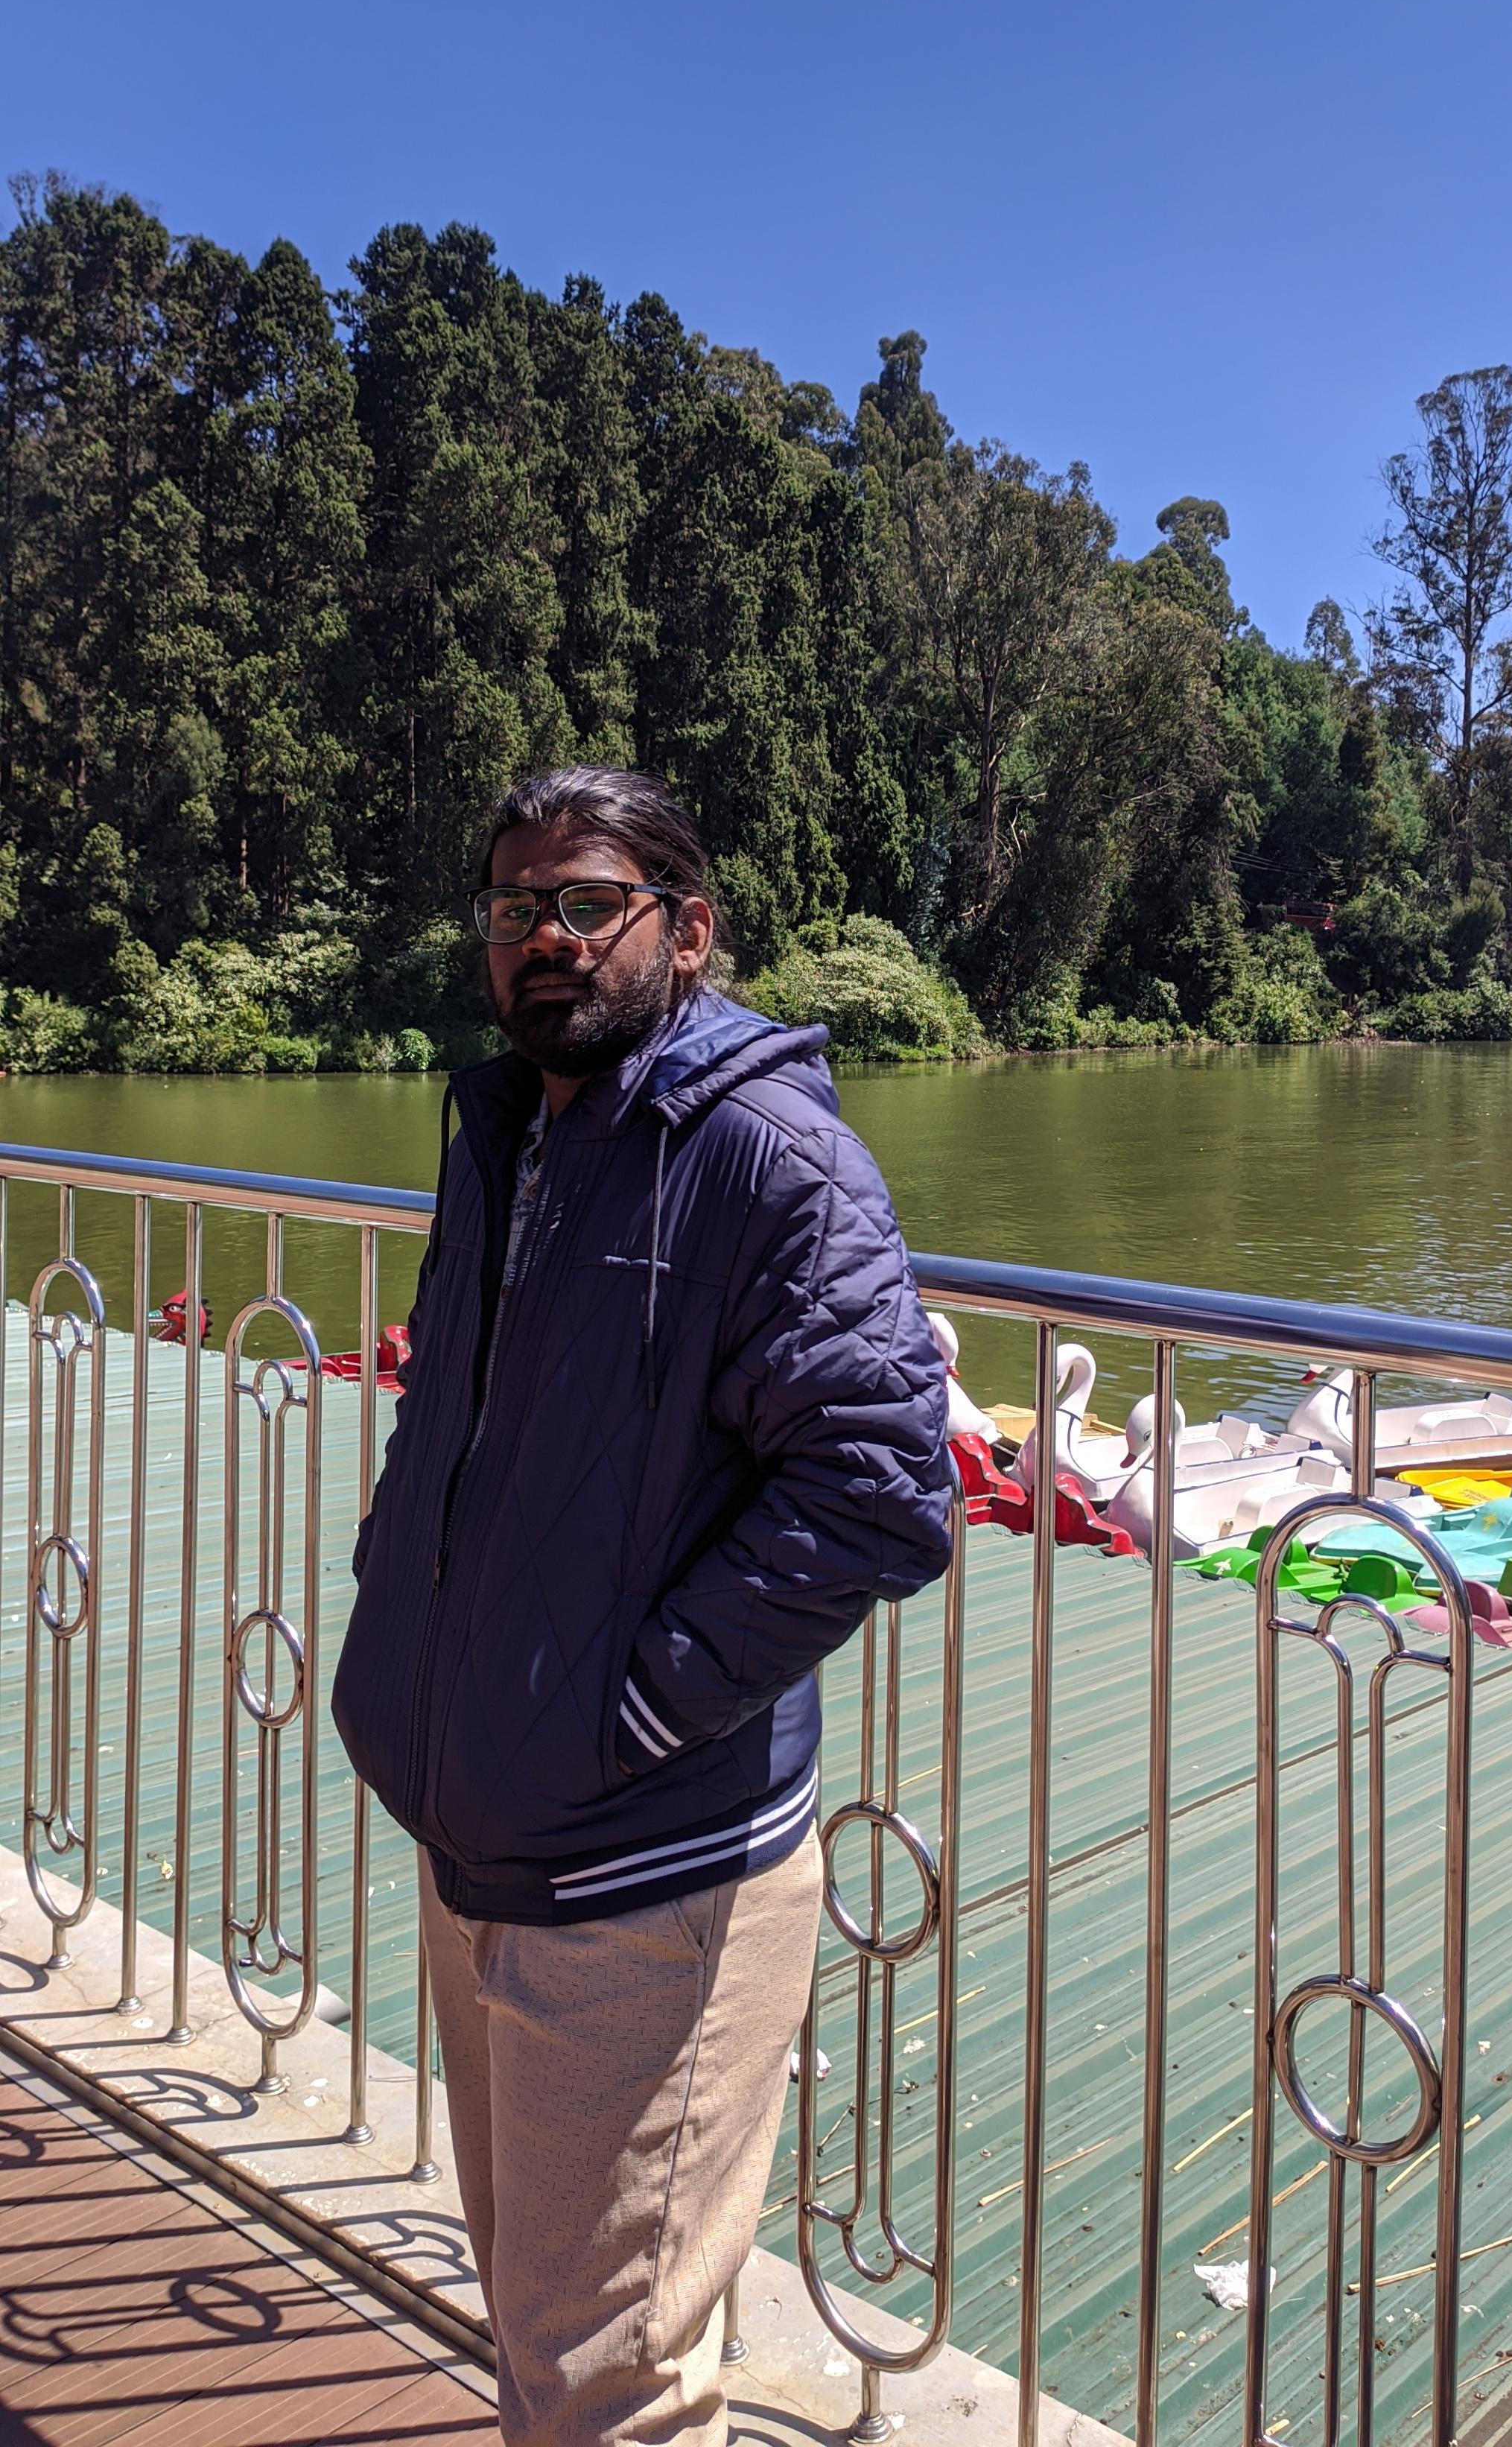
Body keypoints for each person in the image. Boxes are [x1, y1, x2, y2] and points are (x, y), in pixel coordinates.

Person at [332, 764, 951, 2447]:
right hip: (486, 1838)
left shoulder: (766, 1157)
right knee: (548, 2335)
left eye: (588, 902)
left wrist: (625, 1713)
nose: (544, 936)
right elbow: (457, 1409)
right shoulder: (506, 1129)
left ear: (687, 931)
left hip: (649, 1873)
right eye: (512, 906)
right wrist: (407, 1594)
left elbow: (879, 1488)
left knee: (608, 2387)